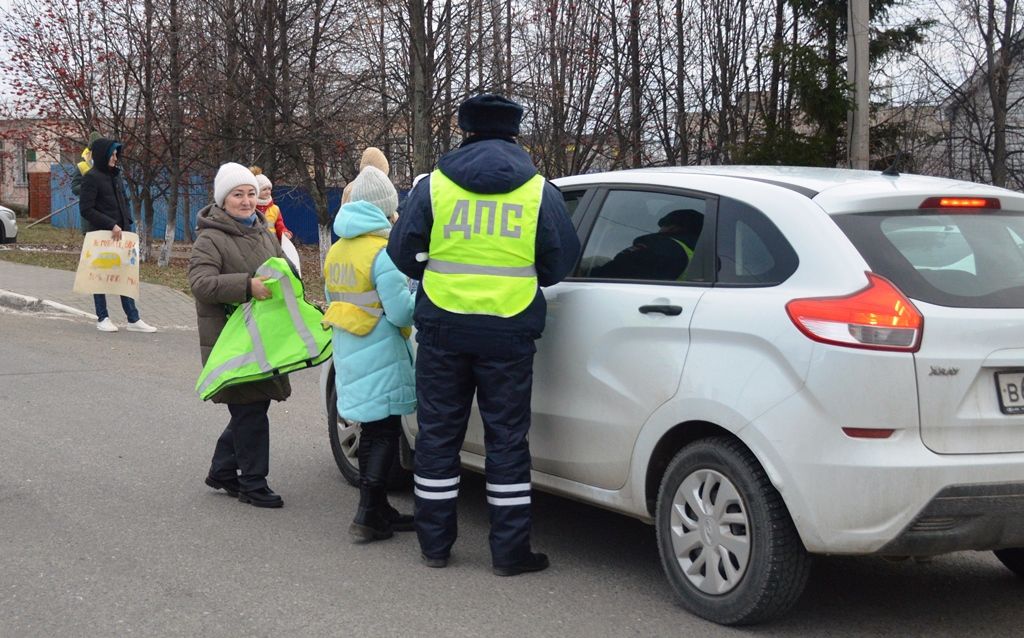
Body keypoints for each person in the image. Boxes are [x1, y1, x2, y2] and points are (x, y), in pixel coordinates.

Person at [387, 94, 580, 575]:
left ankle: (434, 546)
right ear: (515, 134)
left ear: (465, 132)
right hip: (509, 332)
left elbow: (402, 252)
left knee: (437, 437)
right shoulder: (539, 191)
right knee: (508, 441)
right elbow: (560, 265)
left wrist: (432, 268)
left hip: (443, 329)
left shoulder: (433, 187)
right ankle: (510, 554)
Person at [189, 162, 292, 508]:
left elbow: (281, 269)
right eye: (238, 194)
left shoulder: (263, 231)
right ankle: (253, 483)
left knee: (251, 406)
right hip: (231, 339)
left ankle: (222, 470)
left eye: (250, 193)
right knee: (250, 410)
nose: (246, 201)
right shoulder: (210, 237)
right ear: (223, 199)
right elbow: (200, 284)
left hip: (261, 337)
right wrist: (247, 287)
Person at [323, 165, 416, 542]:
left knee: (371, 430)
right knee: (383, 433)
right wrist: (421, 296)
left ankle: (378, 510)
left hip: (350, 350)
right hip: (380, 353)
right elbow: (401, 312)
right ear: (384, 208)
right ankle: (366, 515)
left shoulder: (337, 250)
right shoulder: (383, 253)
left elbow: (335, 300)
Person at [78, 137, 157, 333]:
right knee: (100, 276)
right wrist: (110, 224)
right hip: (102, 235)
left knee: (125, 275)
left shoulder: (116, 176)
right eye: (112, 154)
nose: (115, 157)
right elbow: (86, 209)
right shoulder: (91, 177)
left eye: (116, 154)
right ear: (103, 155)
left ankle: (133, 319)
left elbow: (123, 201)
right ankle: (102, 317)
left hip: (122, 235)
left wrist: (127, 221)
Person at [592, 208, 704, 281]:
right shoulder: (706, 253)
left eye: (663, 226)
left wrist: (589, 271)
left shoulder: (658, 248)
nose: (659, 230)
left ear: (672, 227)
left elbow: (613, 271)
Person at [250, 167, 292, 241]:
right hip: (254, 243)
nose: (268, 192)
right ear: (256, 191)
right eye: (264, 189)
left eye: (269, 189)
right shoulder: (250, 207)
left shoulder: (275, 209)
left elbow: (279, 225)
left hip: (272, 244)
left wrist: (284, 233)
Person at [70, 131, 101, 197]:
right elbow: (74, 189)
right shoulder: (82, 166)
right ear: (91, 150)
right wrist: (88, 185)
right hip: (90, 204)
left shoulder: (109, 164)